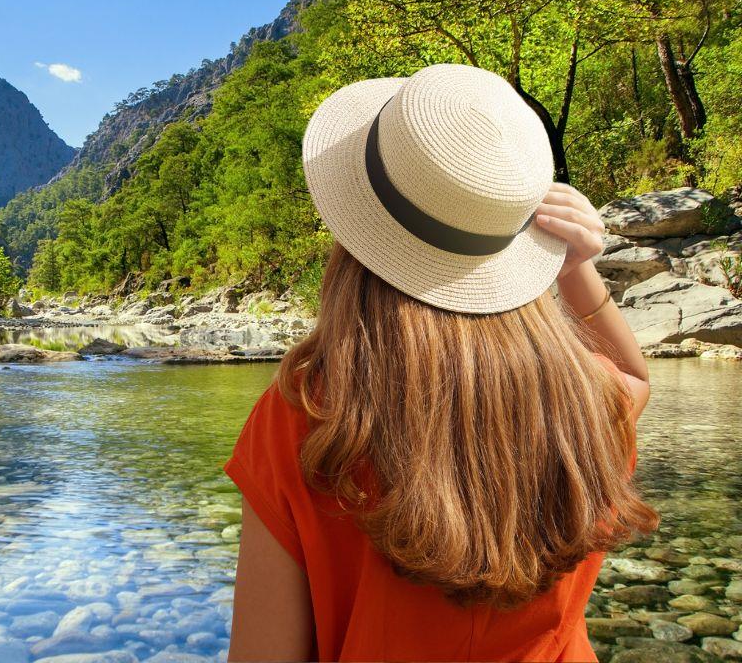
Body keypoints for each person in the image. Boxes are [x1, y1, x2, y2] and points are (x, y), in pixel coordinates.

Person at [223, 64, 657, 662]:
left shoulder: (307, 413)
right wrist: (576, 269)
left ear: (355, 233)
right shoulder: (584, 404)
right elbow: (634, 379)